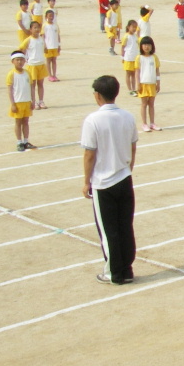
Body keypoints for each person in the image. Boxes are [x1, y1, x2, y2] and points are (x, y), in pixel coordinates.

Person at [81, 74, 138, 285]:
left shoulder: (93, 120)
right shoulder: (127, 116)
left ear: (97, 95)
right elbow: (133, 146)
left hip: (103, 182)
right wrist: (128, 168)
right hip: (124, 177)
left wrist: (86, 180)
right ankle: (127, 268)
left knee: (108, 230)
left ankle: (114, 272)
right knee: (125, 225)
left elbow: (89, 154)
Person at [6, 50, 35, 151]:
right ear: (13, 61)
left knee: (26, 121)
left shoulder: (27, 73)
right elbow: (10, 90)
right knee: (18, 122)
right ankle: (19, 142)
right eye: (17, 60)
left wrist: (33, 100)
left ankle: (26, 141)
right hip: (18, 102)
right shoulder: (11, 74)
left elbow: (31, 87)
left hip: (27, 101)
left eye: (22, 60)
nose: (20, 62)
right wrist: (13, 104)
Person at [18, 20, 48, 109]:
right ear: (30, 29)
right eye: (35, 28)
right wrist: (24, 59)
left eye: (38, 27)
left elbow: (45, 49)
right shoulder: (28, 40)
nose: (37, 29)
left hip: (41, 64)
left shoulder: (42, 39)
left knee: (41, 84)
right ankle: (33, 102)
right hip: (32, 65)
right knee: (32, 84)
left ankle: (41, 101)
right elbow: (21, 49)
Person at [137, 37, 161, 132]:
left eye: (149, 45)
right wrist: (138, 84)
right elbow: (137, 72)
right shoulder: (139, 58)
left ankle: (152, 123)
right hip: (143, 83)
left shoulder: (154, 57)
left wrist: (158, 82)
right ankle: (144, 123)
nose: (147, 47)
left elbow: (157, 71)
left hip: (152, 83)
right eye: (145, 45)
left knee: (151, 104)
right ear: (141, 46)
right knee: (144, 104)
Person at [122, 19, 141, 97]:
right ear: (128, 27)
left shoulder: (135, 36)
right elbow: (123, 47)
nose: (134, 29)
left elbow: (138, 45)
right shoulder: (126, 36)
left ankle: (134, 89)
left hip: (135, 57)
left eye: (135, 27)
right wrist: (122, 57)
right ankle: (130, 89)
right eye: (133, 27)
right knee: (128, 74)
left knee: (134, 74)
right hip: (128, 58)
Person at [42, 9, 61, 81]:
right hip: (48, 46)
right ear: (46, 16)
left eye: (52, 16)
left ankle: (54, 75)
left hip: (55, 46)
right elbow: (43, 36)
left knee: (54, 60)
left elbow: (58, 35)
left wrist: (59, 45)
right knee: (48, 60)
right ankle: (49, 75)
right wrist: (44, 45)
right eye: (49, 16)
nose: (51, 17)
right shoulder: (45, 25)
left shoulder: (56, 25)